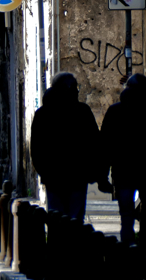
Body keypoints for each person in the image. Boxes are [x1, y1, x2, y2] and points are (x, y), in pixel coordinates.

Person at [30, 72, 101, 219]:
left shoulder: (43, 113)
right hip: (73, 175)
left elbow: (94, 143)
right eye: (74, 87)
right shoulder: (82, 112)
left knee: (59, 219)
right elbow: (95, 143)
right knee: (72, 220)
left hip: (61, 176)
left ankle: (61, 241)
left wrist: (44, 171)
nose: (76, 90)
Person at [100, 74, 146, 248]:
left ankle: (129, 253)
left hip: (123, 172)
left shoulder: (116, 111)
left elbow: (105, 144)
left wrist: (103, 174)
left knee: (126, 217)